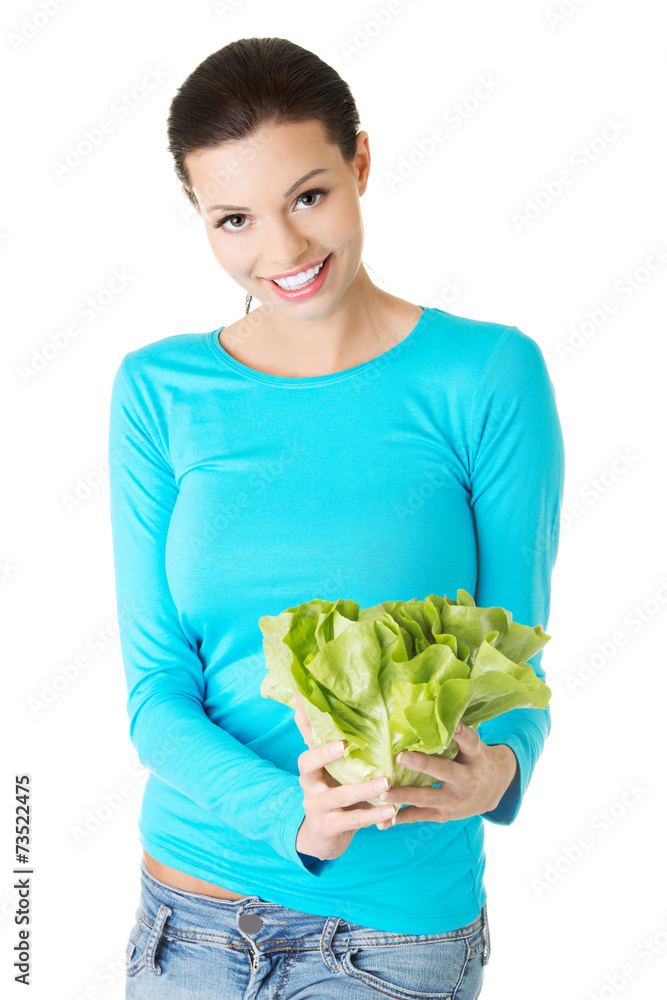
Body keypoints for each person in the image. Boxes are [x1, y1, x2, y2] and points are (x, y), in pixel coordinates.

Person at [109, 36, 564, 999]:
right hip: (189, 916)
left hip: (394, 935)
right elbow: (155, 692)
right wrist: (294, 816)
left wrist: (502, 771)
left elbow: (514, 653)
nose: (281, 252)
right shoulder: (158, 392)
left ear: (359, 162)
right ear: (199, 218)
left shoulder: (483, 377)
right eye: (234, 218)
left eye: (307, 195)